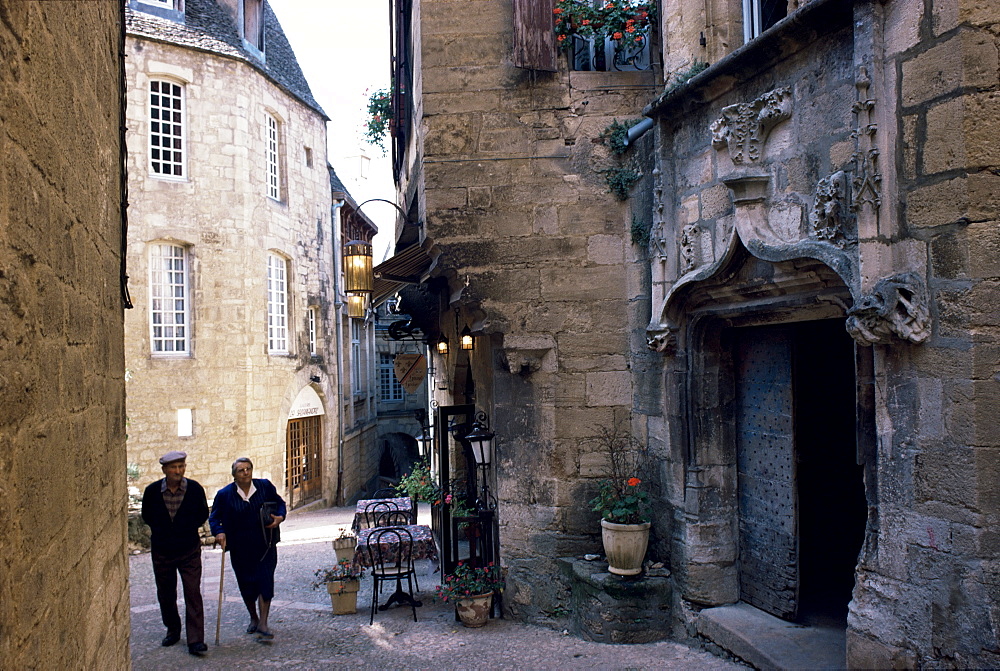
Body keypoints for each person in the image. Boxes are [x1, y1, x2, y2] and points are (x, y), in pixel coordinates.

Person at [141, 450, 210, 656]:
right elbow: (147, 515)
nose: (178, 471)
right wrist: (165, 532)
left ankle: (196, 639)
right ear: (164, 470)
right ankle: (173, 629)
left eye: (181, 467)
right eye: (173, 467)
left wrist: (184, 529)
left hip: (188, 550)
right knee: (165, 593)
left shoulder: (195, 489)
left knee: (192, 593)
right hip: (162, 551)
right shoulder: (152, 491)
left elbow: (202, 514)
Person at [209, 457, 286, 640]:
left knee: (265, 581)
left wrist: (280, 517)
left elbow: (280, 503)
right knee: (246, 583)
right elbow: (214, 518)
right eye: (241, 470)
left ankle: (263, 623)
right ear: (233, 474)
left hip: (265, 544)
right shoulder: (225, 494)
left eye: (248, 469)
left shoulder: (265, 487)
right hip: (239, 547)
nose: (245, 473)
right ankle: (253, 617)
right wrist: (219, 532)